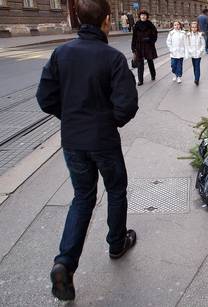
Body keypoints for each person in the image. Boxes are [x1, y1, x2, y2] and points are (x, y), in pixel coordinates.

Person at [36, 0, 138, 301]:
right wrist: (108, 121)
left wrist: (70, 118)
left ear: (78, 19)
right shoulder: (112, 58)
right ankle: (116, 243)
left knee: (82, 197)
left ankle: (64, 263)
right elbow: (127, 104)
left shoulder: (61, 53)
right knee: (116, 189)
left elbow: (45, 98)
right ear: (107, 21)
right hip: (104, 140)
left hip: (73, 141)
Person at [131, 10, 158, 85]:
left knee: (150, 61)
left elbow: (155, 34)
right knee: (140, 63)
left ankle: (153, 75)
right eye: (142, 15)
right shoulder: (136, 25)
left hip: (148, 45)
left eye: (145, 15)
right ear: (139, 16)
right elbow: (134, 37)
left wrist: (151, 41)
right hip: (139, 45)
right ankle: (140, 80)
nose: (143, 16)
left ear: (147, 16)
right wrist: (133, 47)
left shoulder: (150, 24)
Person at [186, 21, 205, 86]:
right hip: (192, 53)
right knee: (194, 66)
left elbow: (203, 44)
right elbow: (187, 44)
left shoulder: (200, 35)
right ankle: (196, 77)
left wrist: (200, 51)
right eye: (192, 27)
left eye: (195, 27)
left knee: (197, 66)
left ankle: (197, 79)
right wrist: (189, 51)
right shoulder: (189, 35)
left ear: (197, 28)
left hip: (198, 53)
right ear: (191, 28)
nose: (194, 29)